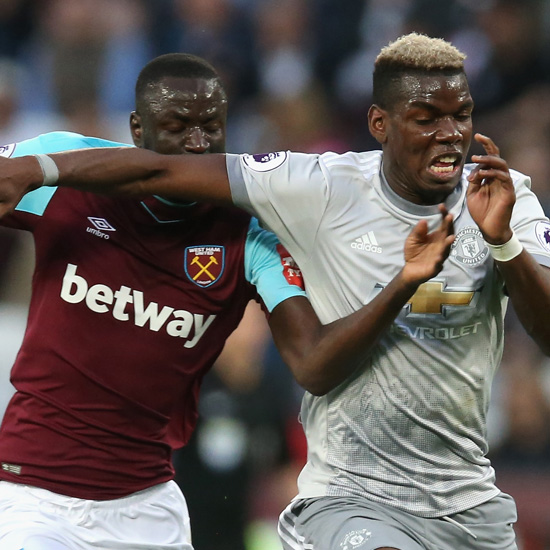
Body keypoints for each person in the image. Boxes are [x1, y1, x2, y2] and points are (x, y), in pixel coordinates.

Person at [3, 33, 546, 549]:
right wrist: (39, 168)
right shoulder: (64, 169)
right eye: (176, 127)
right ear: (137, 130)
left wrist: (490, 250)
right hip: (37, 492)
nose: (197, 144)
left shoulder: (249, 233)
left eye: (211, 127)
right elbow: (148, 176)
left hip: (148, 502)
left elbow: (310, 359)